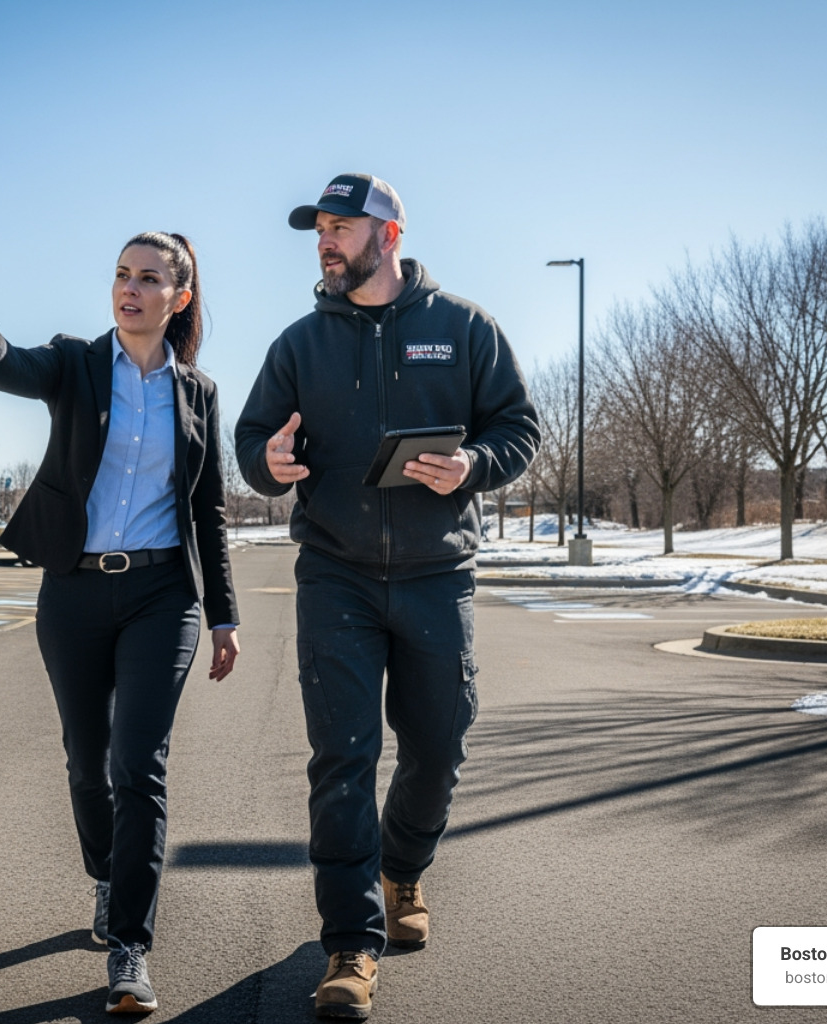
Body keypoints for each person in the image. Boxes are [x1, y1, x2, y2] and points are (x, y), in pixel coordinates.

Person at [235, 175, 539, 1019]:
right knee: (342, 759)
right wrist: (271, 464)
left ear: (390, 234)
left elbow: (518, 427)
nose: (327, 241)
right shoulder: (300, 342)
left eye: (341, 226)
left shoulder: (463, 327)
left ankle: (402, 870)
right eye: (319, 230)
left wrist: (474, 465)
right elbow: (253, 438)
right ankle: (350, 945)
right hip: (334, 573)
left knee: (439, 745)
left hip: (438, 572)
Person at [0, 231, 241, 1014]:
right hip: (73, 592)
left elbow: (208, 513)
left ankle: (131, 945)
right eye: (121, 275)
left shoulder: (196, 393)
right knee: (87, 760)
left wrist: (224, 616)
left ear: (180, 297)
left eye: (148, 278)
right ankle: (106, 877)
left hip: (162, 597)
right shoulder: (76, 361)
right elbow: (18, 365)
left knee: (141, 764)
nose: (129, 289)